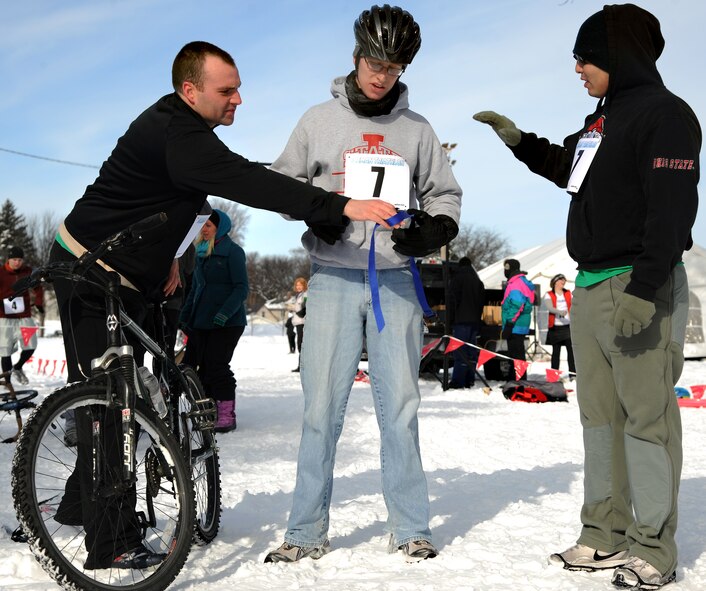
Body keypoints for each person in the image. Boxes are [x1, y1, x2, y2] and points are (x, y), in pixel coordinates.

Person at [49, 40, 399, 571]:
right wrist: (341, 204)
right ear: (190, 91)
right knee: (107, 405)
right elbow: (247, 181)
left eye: (239, 88)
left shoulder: (191, 134)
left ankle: (80, 503)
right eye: (227, 90)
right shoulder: (177, 135)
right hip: (86, 269)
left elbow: (195, 205)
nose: (239, 99)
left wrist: (174, 254)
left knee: (120, 394)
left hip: (134, 274)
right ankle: (110, 539)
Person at [474, 4, 700, 589]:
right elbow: (564, 166)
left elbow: (672, 210)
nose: (577, 67)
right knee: (599, 418)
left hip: (638, 285)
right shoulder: (600, 121)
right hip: (593, 285)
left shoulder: (665, 115)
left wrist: (646, 289)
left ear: (618, 54)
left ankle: (652, 544)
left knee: (647, 418)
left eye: (587, 56)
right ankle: (604, 532)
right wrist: (520, 141)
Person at [264, 4, 461, 564]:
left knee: (400, 406)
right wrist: (316, 209)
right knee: (319, 407)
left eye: (394, 68)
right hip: (331, 279)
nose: (382, 76)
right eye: (376, 62)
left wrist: (434, 228)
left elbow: (445, 195)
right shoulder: (316, 121)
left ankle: (411, 526)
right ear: (356, 57)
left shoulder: (418, 129)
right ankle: (304, 531)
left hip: (396, 283)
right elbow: (280, 184)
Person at [180, 209, 247, 433]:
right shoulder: (200, 253)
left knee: (217, 366)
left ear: (221, 227)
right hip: (201, 321)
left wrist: (224, 313)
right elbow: (196, 289)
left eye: (208, 225)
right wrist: (185, 316)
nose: (204, 230)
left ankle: (227, 415)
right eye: (202, 226)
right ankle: (209, 412)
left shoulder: (233, 252)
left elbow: (241, 289)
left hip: (228, 322)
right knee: (198, 369)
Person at [0, 246, 43, 385]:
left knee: (31, 345)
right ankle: (7, 382)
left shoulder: (28, 271)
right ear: (9, 260)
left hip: (24, 316)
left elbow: (38, 287)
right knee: (5, 349)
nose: (17, 263)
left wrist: (38, 302)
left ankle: (17, 368)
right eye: (14, 260)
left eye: (19, 260)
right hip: (4, 318)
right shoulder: (1, 273)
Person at [448, 257, 485, 389]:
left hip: (460, 321)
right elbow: (482, 303)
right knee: (471, 351)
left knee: (460, 351)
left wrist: (449, 320)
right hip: (474, 321)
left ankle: (458, 381)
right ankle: (470, 379)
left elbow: (452, 301)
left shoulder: (457, 279)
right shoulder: (477, 281)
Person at [500, 258, 534, 380]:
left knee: (516, 354)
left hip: (515, 325)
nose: (505, 271)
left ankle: (519, 381)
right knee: (515, 354)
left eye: (507, 269)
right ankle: (515, 379)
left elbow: (517, 305)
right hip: (518, 324)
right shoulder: (518, 281)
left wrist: (509, 324)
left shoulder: (516, 283)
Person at [542, 273, 576, 376]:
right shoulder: (549, 294)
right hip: (555, 327)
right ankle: (554, 374)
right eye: (561, 280)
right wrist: (559, 312)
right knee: (556, 352)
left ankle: (572, 373)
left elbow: (573, 304)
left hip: (567, 326)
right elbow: (549, 307)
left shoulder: (568, 293)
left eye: (564, 280)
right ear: (556, 282)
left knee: (571, 351)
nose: (563, 282)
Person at [288, 277, 307, 372]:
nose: (298, 287)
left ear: (304, 285)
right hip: (298, 322)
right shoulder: (298, 296)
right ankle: (301, 366)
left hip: (303, 322)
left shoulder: (306, 295)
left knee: (301, 344)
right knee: (299, 344)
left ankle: (302, 366)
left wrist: (296, 310)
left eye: (300, 285)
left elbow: (305, 309)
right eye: (297, 285)